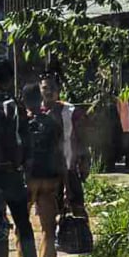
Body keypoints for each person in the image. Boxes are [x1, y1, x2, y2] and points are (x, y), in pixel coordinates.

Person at [0, 61, 48, 257]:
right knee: (23, 224)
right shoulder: (16, 104)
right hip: (12, 174)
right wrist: (24, 167)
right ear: (9, 80)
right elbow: (26, 139)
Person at [22, 83, 64, 257]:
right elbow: (60, 153)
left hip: (28, 178)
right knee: (48, 226)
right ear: (40, 100)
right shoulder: (52, 123)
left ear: (24, 101)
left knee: (22, 224)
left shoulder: (22, 123)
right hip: (49, 179)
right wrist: (65, 182)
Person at [41, 72, 90, 218]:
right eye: (45, 88)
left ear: (59, 90)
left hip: (69, 168)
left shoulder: (71, 111)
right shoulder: (34, 112)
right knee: (50, 212)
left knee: (77, 207)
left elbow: (82, 138)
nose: (49, 92)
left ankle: (81, 231)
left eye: (52, 88)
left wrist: (85, 161)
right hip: (45, 172)